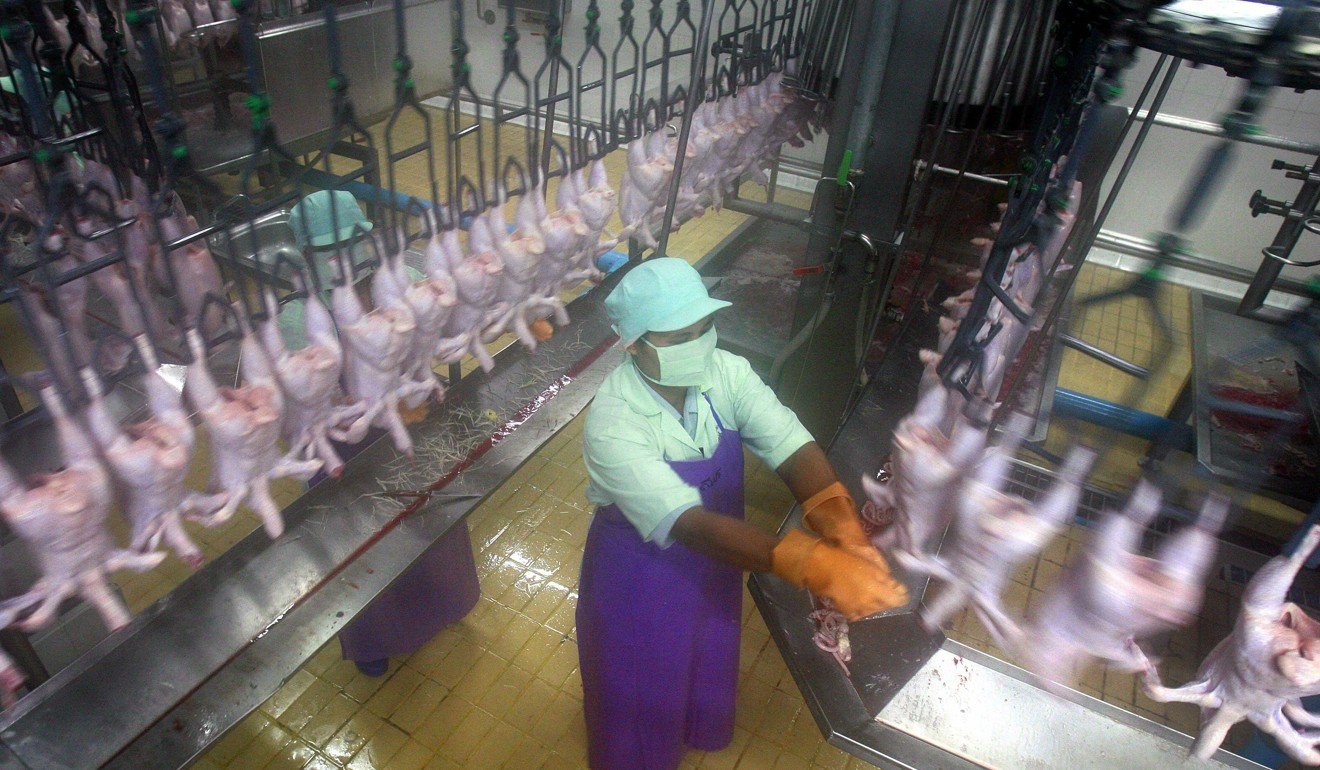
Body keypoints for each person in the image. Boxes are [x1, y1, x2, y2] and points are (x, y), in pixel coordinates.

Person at [576, 257, 909, 769]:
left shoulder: (726, 374)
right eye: (676, 335)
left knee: (707, 652)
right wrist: (810, 563)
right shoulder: (613, 421)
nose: (699, 342)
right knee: (644, 682)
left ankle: (695, 733)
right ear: (634, 343)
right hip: (641, 577)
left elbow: (788, 442)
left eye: (704, 327)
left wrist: (839, 520)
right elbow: (686, 521)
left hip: (720, 561)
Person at [283, 190, 480, 677]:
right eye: (328, 247)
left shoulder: (405, 280)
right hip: (347, 449)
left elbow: (446, 326)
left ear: (368, 236)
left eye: (352, 239)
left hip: (412, 427)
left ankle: (445, 604)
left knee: (431, 522)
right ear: (307, 256)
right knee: (361, 548)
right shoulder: (296, 317)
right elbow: (288, 402)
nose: (343, 255)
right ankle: (373, 641)